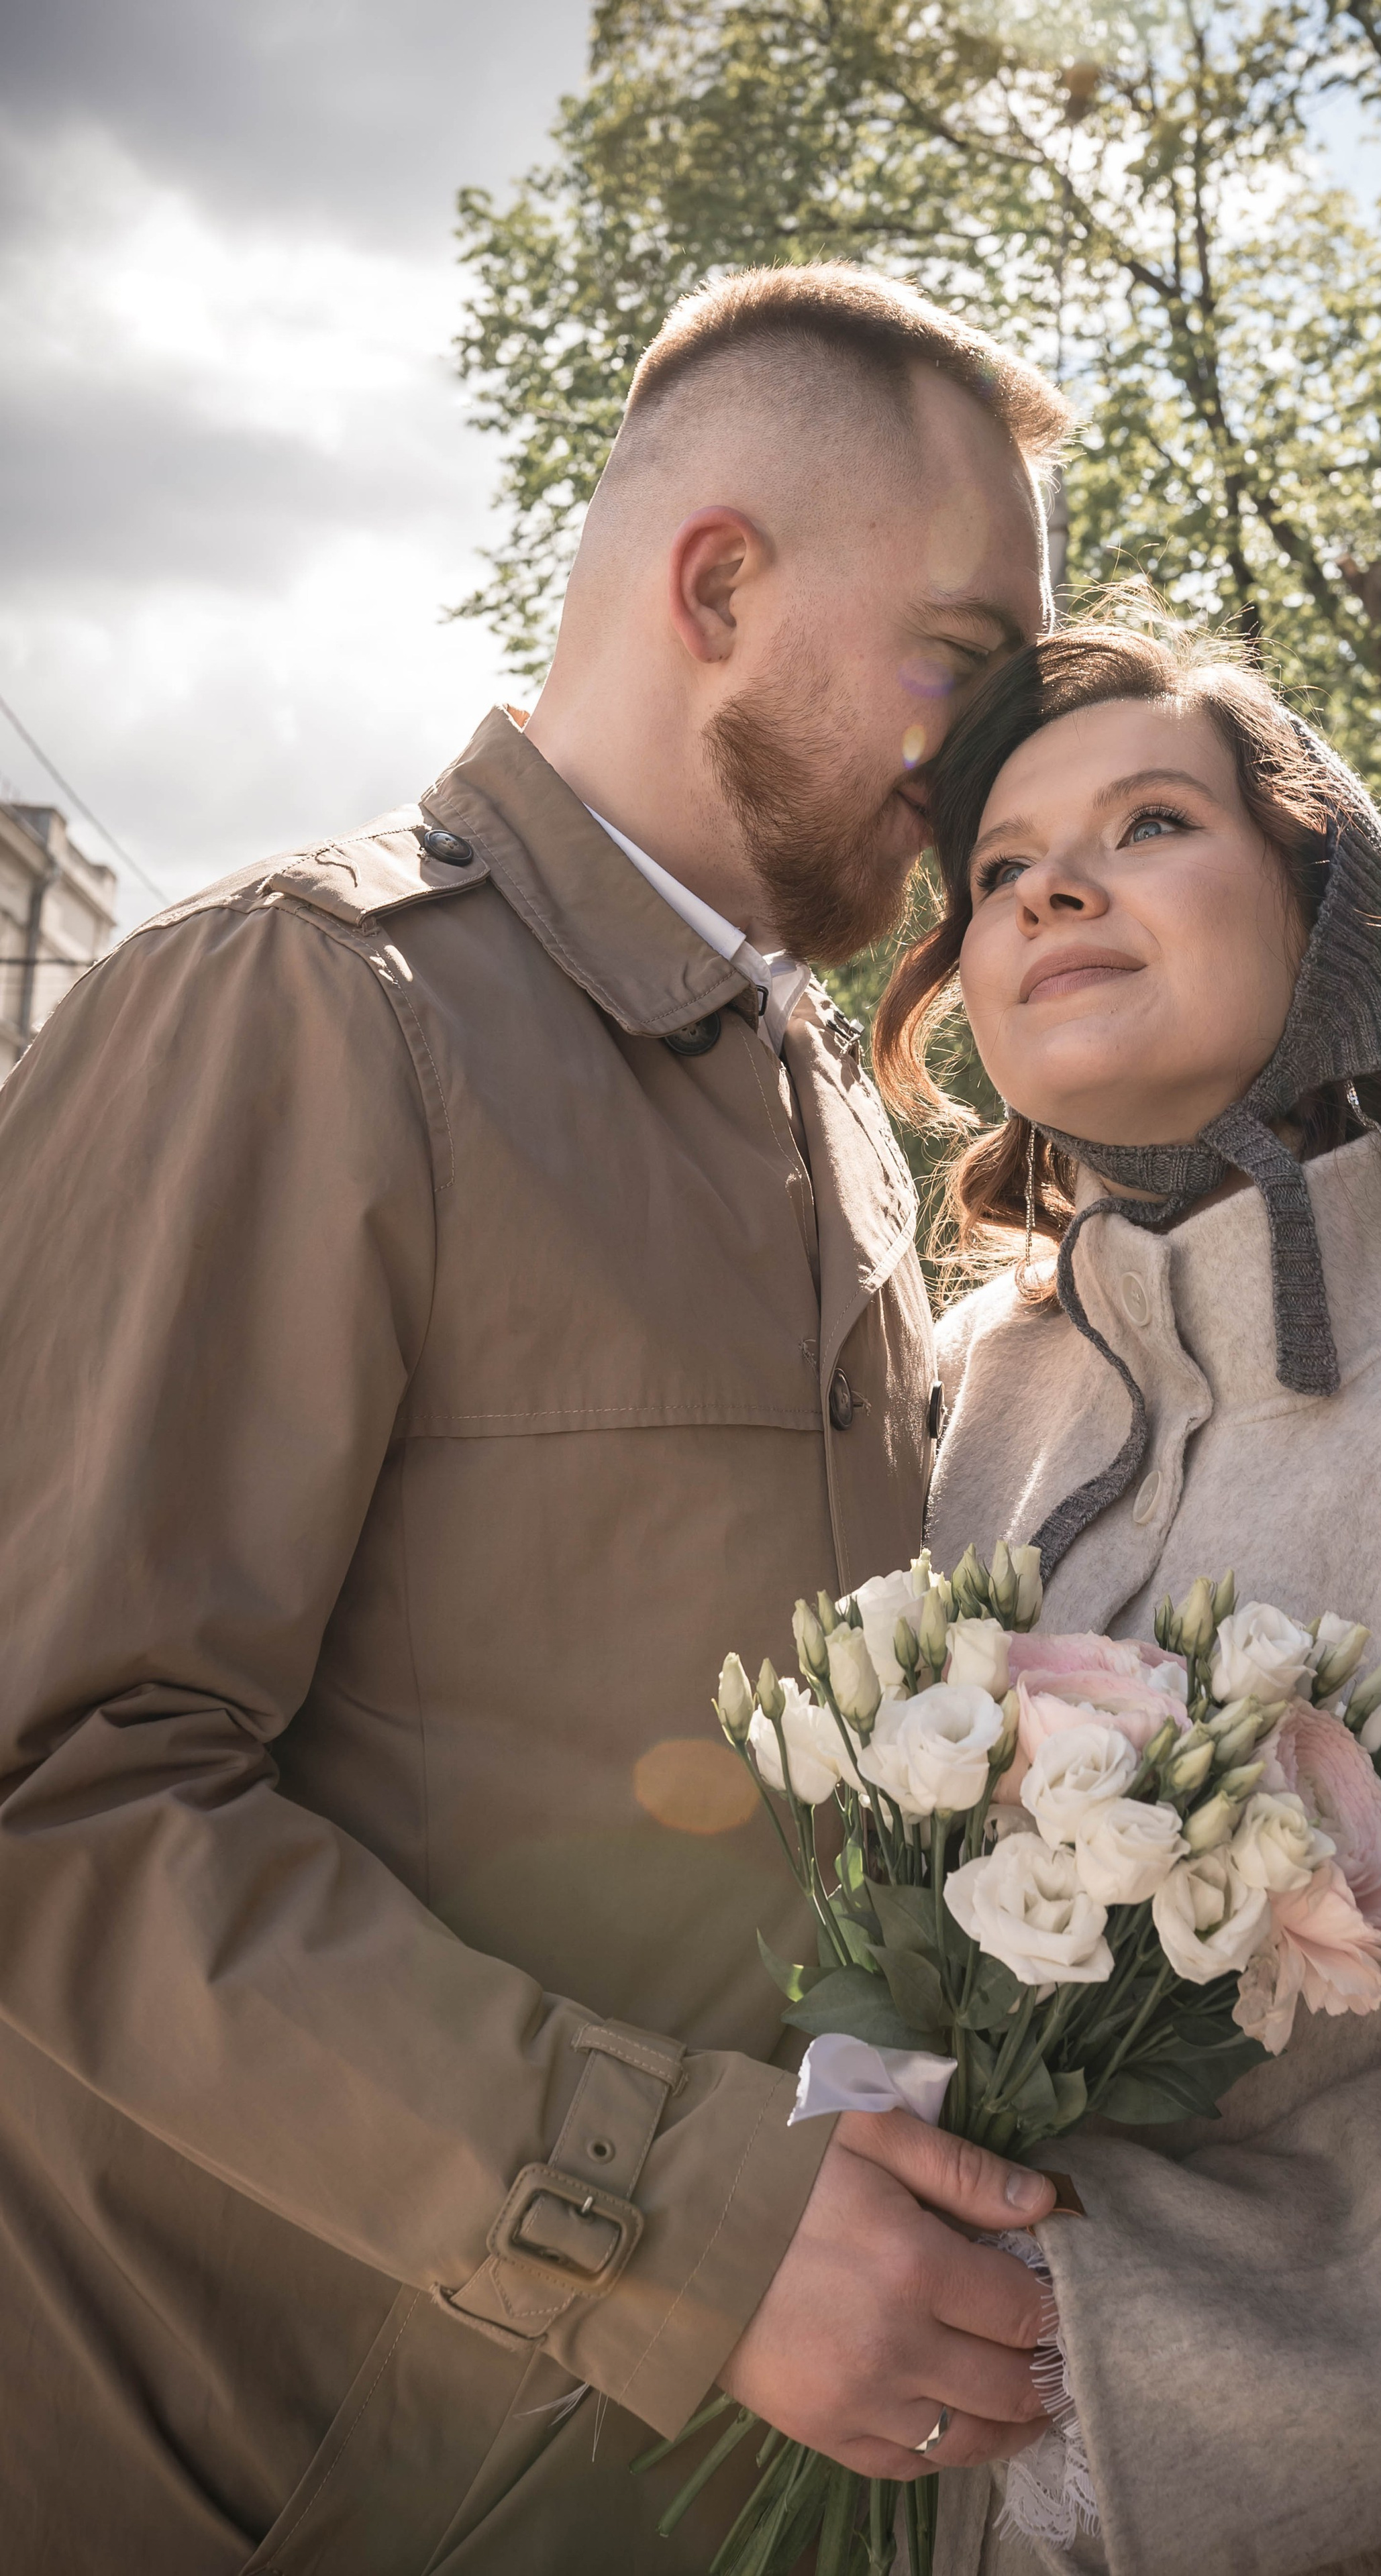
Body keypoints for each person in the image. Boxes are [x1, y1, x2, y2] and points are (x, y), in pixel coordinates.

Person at [0, 267, 1068, 2575]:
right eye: (964, 668)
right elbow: (50, 1800)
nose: (987, 773)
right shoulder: (297, 1007)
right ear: (718, 584)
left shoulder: (848, 1133)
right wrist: (689, 2225)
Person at [873, 620, 1381, 2574]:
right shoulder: (981, 1390)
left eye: (1150, 823)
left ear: (1329, 914)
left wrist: (1093, 2346)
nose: (1054, 888)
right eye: (1002, 869)